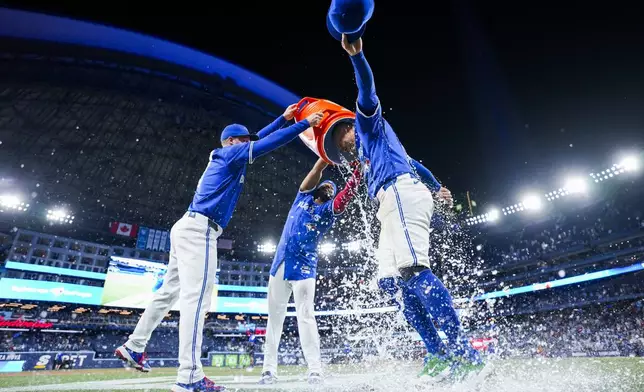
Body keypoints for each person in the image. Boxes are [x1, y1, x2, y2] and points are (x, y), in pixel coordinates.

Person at [114, 105, 324, 392]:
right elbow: (265, 144)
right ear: (233, 142)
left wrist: (283, 119)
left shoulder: (228, 154)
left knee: (167, 295)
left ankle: (134, 346)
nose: (249, 143)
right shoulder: (230, 153)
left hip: (188, 227)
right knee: (197, 301)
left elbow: (258, 137)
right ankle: (189, 377)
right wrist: (303, 125)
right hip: (200, 231)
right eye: (244, 140)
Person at [333, 34, 485, 382]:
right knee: (390, 282)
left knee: (414, 270)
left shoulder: (368, 126)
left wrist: (356, 56)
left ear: (350, 125)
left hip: (400, 194)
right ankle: (438, 354)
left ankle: (465, 353)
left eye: (341, 133)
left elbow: (367, 93)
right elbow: (417, 162)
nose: (342, 141)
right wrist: (436, 186)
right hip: (392, 200)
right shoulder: (370, 157)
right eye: (338, 140)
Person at [259, 158, 362, 385]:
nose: (329, 188)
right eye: (326, 185)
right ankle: (268, 370)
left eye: (332, 189)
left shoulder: (327, 210)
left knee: (306, 317)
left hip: (304, 268)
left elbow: (344, 197)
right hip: (280, 264)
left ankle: (315, 370)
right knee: (274, 320)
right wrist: (324, 156)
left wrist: (356, 176)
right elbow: (316, 170)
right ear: (318, 187)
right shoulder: (302, 198)